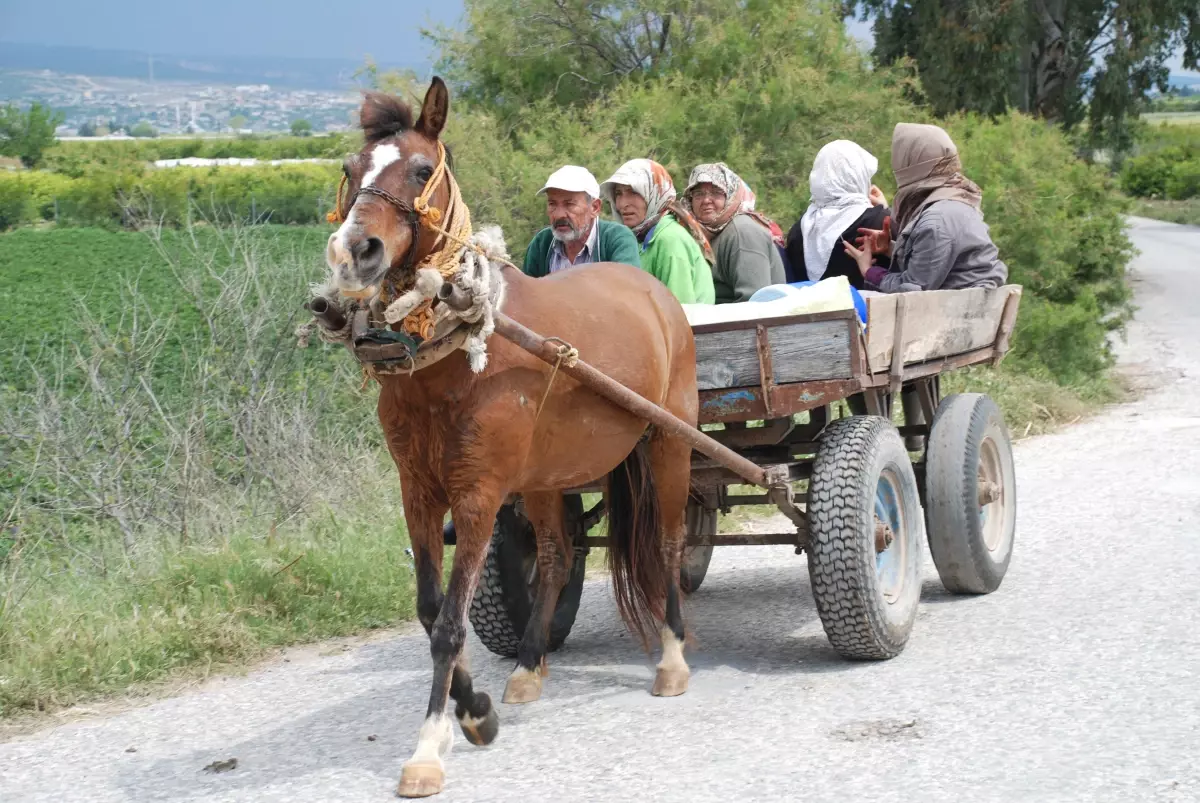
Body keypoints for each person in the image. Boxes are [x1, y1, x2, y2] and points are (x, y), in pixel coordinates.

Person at [842, 123, 1008, 293]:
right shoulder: (956, 201)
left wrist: (869, 271)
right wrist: (891, 249)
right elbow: (942, 262)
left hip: (954, 313)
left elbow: (913, 290)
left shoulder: (936, 222)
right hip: (970, 307)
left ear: (909, 162)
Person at [599, 158, 716, 304]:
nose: (623, 204)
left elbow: (679, 312)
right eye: (618, 194)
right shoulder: (640, 236)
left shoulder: (669, 239)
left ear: (654, 193)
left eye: (633, 193)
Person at [786, 139, 891, 290]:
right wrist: (886, 210)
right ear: (857, 175)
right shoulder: (879, 223)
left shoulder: (799, 231)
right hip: (869, 311)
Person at [682, 163, 789, 304]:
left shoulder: (743, 233)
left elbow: (755, 303)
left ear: (730, 196)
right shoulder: (699, 234)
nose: (706, 200)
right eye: (698, 194)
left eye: (716, 192)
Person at [521, 165, 641, 277]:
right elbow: (526, 294)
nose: (559, 215)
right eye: (552, 204)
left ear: (595, 208)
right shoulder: (542, 244)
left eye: (569, 204)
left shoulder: (617, 239)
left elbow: (626, 291)